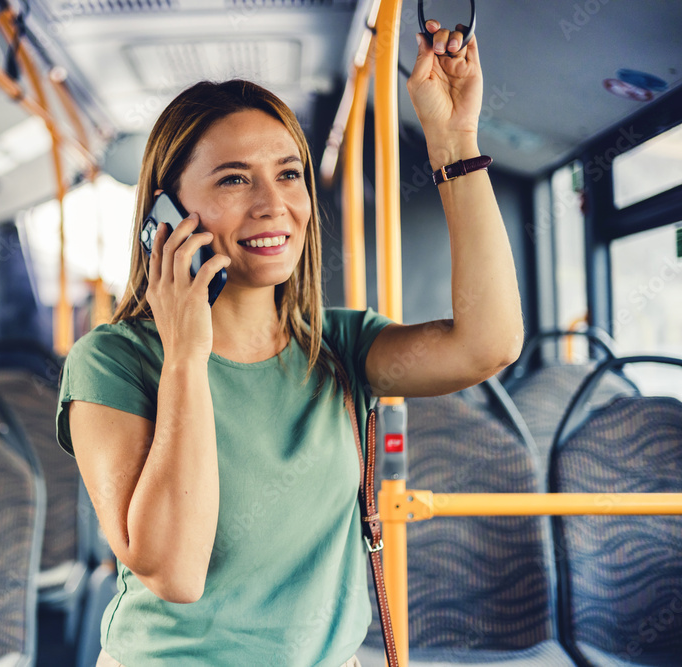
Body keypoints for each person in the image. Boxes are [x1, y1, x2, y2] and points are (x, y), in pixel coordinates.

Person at [56, 20, 523, 667]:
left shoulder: (340, 345)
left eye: (288, 174)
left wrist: (452, 140)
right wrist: (186, 356)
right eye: (233, 179)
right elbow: (175, 572)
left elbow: (488, 344)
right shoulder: (113, 360)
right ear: (167, 212)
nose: (274, 204)